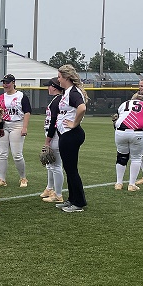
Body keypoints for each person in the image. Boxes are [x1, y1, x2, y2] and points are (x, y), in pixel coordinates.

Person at [53, 65, 89, 213]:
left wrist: (74, 123)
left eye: (60, 77)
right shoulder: (68, 92)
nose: (58, 79)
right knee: (68, 168)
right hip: (67, 134)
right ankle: (72, 199)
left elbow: (82, 108)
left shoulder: (73, 92)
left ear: (66, 77)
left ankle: (79, 202)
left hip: (71, 134)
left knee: (71, 169)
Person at [113, 92, 143, 191]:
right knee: (136, 158)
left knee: (121, 156)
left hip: (120, 131)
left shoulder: (124, 104)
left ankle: (118, 183)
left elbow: (115, 119)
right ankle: (131, 184)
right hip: (137, 132)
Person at [0, 74, 31, 189]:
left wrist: (24, 127)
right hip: (4, 125)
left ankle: (23, 177)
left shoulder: (21, 96)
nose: (5, 84)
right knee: (2, 154)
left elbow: (27, 112)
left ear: (13, 82)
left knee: (17, 155)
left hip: (17, 124)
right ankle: (2, 179)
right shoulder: (1, 97)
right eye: (4, 82)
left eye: (7, 82)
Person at [41, 80, 66, 203]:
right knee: (50, 164)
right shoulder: (57, 99)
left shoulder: (57, 101)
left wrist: (48, 140)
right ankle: (50, 188)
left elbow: (54, 123)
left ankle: (58, 194)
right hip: (54, 135)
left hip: (55, 135)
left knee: (56, 166)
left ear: (54, 87)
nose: (47, 88)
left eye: (49, 86)